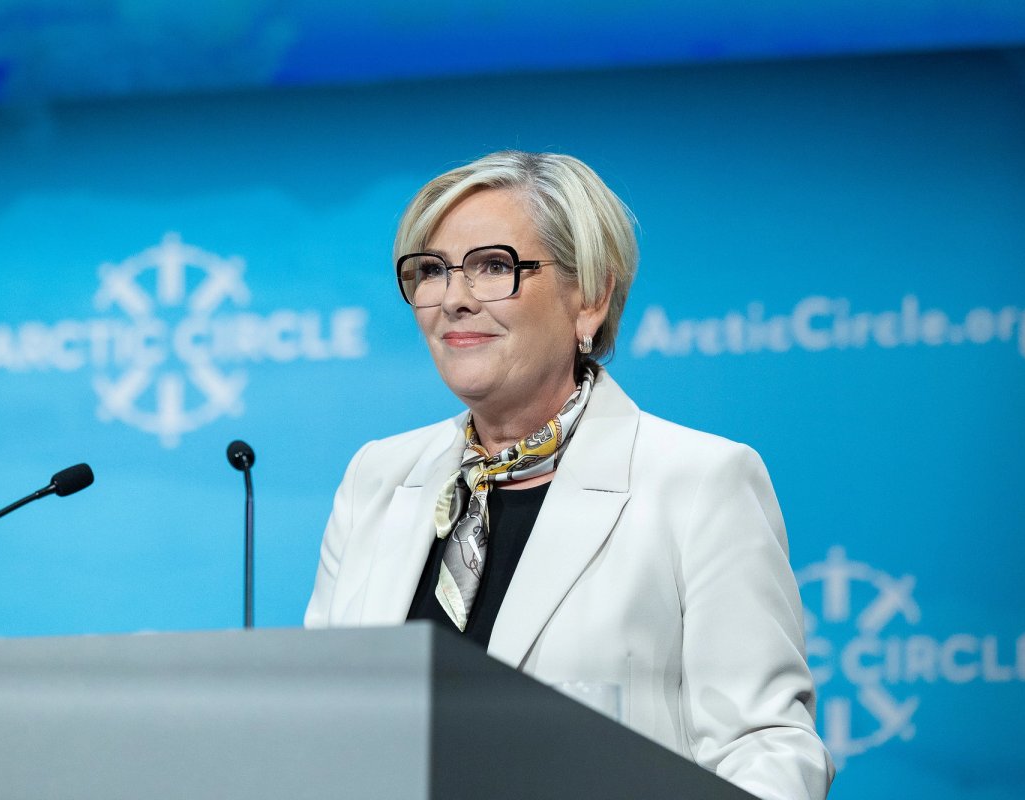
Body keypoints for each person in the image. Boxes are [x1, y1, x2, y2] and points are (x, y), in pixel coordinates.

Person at [305, 151, 834, 800]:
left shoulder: (698, 482)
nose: (454, 299)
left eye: (493, 266)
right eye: (432, 271)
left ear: (590, 299)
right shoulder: (376, 479)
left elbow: (766, 747)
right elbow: (319, 731)